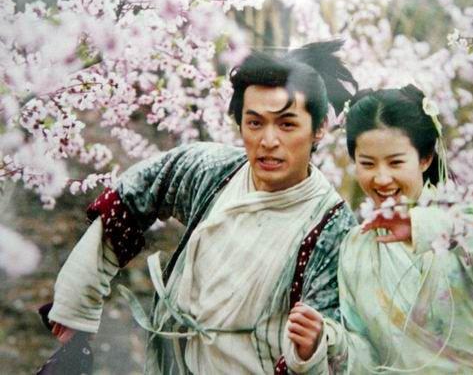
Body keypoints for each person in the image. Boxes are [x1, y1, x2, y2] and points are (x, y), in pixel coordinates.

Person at [42, 40, 359, 374]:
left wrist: (313, 349)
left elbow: (333, 341)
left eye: (287, 124)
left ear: (319, 128)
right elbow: (129, 198)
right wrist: (77, 305)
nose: (268, 141)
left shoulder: (334, 228)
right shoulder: (212, 170)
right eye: (255, 123)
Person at [284, 85, 473, 374]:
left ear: (425, 158)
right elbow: (369, 355)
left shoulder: (462, 221)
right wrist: (327, 343)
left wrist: (427, 227)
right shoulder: (356, 247)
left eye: (396, 162)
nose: (381, 178)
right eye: (367, 163)